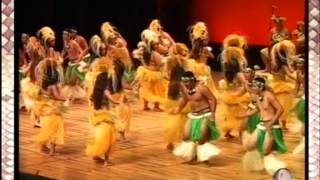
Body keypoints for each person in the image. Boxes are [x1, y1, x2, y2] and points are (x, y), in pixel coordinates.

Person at [237, 77, 287, 175]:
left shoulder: (269, 95)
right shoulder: (258, 96)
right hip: (261, 125)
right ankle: (261, 164)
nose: (252, 89)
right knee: (250, 146)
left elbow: (280, 109)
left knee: (266, 151)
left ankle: (278, 171)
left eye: (254, 87)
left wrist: (271, 123)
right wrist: (244, 115)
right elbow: (258, 109)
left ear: (260, 87)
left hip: (271, 127)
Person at [173, 71, 220, 163]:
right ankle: (192, 157)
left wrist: (213, 113)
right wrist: (178, 108)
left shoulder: (202, 88)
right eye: (183, 82)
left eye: (187, 82)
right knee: (186, 136)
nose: (185, 84)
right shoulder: (185, 89)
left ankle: (205, 158)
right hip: (193, 115)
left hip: (205, 114)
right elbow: (185, 99)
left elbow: (212, 99)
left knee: (202, 137)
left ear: (192, 81)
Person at [86, 72, 124, 166]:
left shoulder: (94, 92)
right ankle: (106, 161)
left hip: (96, 116)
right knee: (109, 138)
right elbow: (113, 101)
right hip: (106, 116)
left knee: (98, 136)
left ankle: (96, 155)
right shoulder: (106, 91)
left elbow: (91, 103)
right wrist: (120, 101)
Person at [34, 58, 67, 156]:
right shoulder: (52, 86)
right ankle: (52, 151)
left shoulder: (41, 83)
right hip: (52, 109)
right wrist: (65, 99)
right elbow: (56, 96)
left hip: (44, 107)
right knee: (55, 128)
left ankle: (43, 146)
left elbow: (36, 71)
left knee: (46, 127)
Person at [131, 29, 168, 111]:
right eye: (155, 44)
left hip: (145, 72)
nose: (157, 46)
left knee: (146, 89)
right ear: (151, 45)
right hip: (154, 74)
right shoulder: (154, 54)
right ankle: (156, 106)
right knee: (157, 90)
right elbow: (160, 63)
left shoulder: (143, 53)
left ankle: (145, 105)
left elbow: (139, 58)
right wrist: (165, 60)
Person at [218, 46, 251, 139]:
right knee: (241, 117)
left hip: (229, 95)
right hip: (238, 97)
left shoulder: (226, 74)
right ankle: (242, 134)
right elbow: (245, 86)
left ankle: (227, 132)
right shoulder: (239, 74)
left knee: (230, 115)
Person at [163, 55, 190, 151]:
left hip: (177, 103)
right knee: (181, 124)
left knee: (175, 124)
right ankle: (182, 143)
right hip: (178, 103)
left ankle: (171, 143)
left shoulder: (176, 81)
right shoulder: (178, 79)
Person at [269, 40, 297, 130]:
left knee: (276, 107)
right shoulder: (283, 65)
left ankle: (276, 123)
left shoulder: (273, 64)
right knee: (284, 108)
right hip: (283, 88)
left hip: (273, 85)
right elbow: (290, 73)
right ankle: (283, 125)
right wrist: (299, 79)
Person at [291, 58, 305, 155]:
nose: (299, 64)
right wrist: (293, 95)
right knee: (300, 115)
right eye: (298, 62)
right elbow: (297, 84)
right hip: (304, 97)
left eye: (301, 62)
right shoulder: (298, 73)